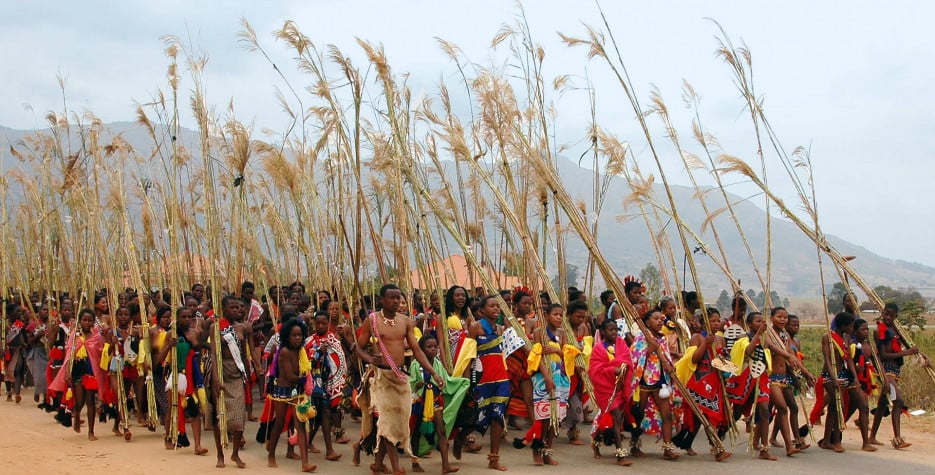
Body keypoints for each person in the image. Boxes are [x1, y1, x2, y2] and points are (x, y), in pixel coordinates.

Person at [356, 284, 445, 475]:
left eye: (398, 298)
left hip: (400, 377)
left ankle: (378, 464)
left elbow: (417, 350)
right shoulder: (371, 321)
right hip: (380, 377)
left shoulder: (406, 321)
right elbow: (358, 347)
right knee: (388, 421)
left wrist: (434, 373)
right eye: (392, 298)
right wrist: (371, 358)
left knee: (399, 421)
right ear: (381, 300)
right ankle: (396, 468)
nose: (396, 301)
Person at [452, 294, 510, 471]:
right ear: (482, 310)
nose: (496, 309)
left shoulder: (501, 329)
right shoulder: (476, 328)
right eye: (492, 306)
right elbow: (468, 355)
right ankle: (461, 438)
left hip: (501, 378)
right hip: (482, 378)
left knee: (497, 416)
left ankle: (494, 458)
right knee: (478, 416)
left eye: (498, 306)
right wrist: (467, 379)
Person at [673, 308, 733, 461]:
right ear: (705, 322)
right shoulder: (697, 337)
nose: (716, 323)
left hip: (716, 381)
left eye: (718, 320)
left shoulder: (721, 339)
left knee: (700, 417)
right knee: (707, 416)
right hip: (700, 381)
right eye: (713, 320)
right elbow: (694, 359)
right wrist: (705, 344)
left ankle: (685, 442)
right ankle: (718, 450)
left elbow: (723, 360)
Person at [869, 303, 928, 449]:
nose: (888, 317)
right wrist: (907, 353)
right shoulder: (879, 331)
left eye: (891, 315)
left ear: (896, 316)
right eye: (886, 314)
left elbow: (909, 346)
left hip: (895, 370)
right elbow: (883, 355)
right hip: (885, 369)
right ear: (882, 313)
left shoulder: (896, 330)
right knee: (898, 400)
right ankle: (897, 439)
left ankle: (871, 437)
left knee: (883, 403)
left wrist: (922, 355)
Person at [525, 303, 578, 466]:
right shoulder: (538, 332)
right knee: (544, 416)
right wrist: (547, 378)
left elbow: (567, 354)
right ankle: (537, 450)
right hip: (543, 377)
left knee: (555, 417)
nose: (558, 318)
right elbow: (537, 356)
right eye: (555, 314)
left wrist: (556, 351)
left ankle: (547, 452)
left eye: (561, 315)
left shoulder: (562, 333)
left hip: (560, 377)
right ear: (546, 315)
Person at [409, 334, 467, 474]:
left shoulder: (438, 364)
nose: (434, 349)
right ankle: (415, 463)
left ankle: (445, 465)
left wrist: (459, 383)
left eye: (435, 347)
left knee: (441, 431)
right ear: (421, 349)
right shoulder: (415, 364)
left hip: (434, 401)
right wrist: (418, 385)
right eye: (429, 347)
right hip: (419, 402)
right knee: (416, 432)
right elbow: (410, 385)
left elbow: (446, 382)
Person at [206, 295, 252, 468]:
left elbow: (244, 353)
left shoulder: (243, 327)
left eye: (238, 307)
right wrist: (216, 378)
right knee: (220, 415)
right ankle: (220, 454)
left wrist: (249, 372)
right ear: (223, 309)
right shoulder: (215, 327)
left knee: (239, 416)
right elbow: (214, 353)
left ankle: (235, 454)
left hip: (236, 372)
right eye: (232, 307)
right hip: (220, 371)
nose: (236, 310)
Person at [763, 307, 815, 456]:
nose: (783, 320)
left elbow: (792, 357)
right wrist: (788, 355)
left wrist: (807, 374)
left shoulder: (785, 335)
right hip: (771, 378)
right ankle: (788, 446)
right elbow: (773, 348)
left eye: (785, 317)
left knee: (788, 407)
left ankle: (794, 440)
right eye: (779, 317)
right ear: (772, 318)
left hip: (784, 378)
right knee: (782, 408)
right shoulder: (767, 333)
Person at [266, 317, 316, 472]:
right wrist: (306, 379)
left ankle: (305, 464)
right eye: (294, 335)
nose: (298, 338)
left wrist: (306, 378)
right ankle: (271, 456)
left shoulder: (300, 350)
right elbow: (289, 376)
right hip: (282, 391)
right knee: (280, 423)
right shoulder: (285, 352)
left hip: (297, 391)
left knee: (300, 425)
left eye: (300, 335)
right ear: (287, 336)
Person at [820, 311, 873, 452]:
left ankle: (827, 441)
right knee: (839, 406)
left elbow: (848, 359)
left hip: (845, 376)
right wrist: (833, 378)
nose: (852, 329)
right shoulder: (828, 337)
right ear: (843, 325)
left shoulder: (847, 338)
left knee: (838, 407)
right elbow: (827, 359)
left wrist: (855, 376)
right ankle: (836, 441)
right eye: (850, 326)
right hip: (830, 375)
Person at [630, 308, 679, 461]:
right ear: (647, 322)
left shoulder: (663, 338)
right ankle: (635, 445)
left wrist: (670, 365)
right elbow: (633, 356)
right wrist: (648, 350)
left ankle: (668, 448)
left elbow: (665, 356)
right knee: (639, 414)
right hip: (644, 381)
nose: (659, 321)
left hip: (661, 381)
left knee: (667, 414)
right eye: (655, 318)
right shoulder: (641, 337)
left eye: (661, 318)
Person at [725, 312, 774, 460]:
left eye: (762, 321)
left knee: (765, 410)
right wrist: (758, 334)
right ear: (750, 324)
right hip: (745, 379)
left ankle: (764, 449)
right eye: (757, 321)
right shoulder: (743, 339)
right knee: (737, 412)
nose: (760, 324)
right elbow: (747, 351)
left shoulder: (765, 339)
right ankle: (719, 435)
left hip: (761, 379)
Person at [50, 309, 105, 441]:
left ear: (93, 322)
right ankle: (77, 415)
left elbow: (101, 352)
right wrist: (68, 372)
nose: (87, 322)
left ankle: (91, 432)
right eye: (84, 320)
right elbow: (69, 355)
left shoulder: (97, 336)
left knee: (90, 401)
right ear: (80, 321)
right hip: (77, 372)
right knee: (80, 401)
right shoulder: (74, 336)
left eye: (90, 320)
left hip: (91, 372)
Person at [588, 318, 634, 466]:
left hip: (620, 387)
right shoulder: (598, 348)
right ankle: (620, 453)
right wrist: (612, 369)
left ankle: (595, 441)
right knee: (615, 417)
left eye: (616, 329)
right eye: (610, 329)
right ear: (602, 332)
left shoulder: (621, 344)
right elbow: (594, 370)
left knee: (611, 418)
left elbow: (628, 362)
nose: (614, 332)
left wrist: (622, 371)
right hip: (605, 390)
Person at [166, 306, 208, 454]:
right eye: (183, 317)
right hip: (177, 375)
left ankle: (197, 445)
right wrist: (169, 346)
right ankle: (169, 437)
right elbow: (161, 357)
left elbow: (200, 350)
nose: (187, 319)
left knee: (194, 409)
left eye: (189, 316)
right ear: (177, 318)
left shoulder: (196, 333)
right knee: (174, 407)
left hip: (193, 376)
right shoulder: (171, 334)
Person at [306, 311, 346, 461]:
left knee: (322, 415)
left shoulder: (334, 339)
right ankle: (328, 450)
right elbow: (305, 361)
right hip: (314, 383)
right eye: (318, 323)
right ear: (314, 324)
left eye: (324, 323)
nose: (321, 326)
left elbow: (339, 360)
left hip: (329, 382)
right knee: (322, 414)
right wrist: (317, 352)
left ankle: (316, 445)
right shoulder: (309, 341)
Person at [25, 303, 51, 409]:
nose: (46, 311)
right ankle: (38, 391)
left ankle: (46, 399)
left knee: (48, 376)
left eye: (47, 310)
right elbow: (29, 342)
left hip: (49, 352)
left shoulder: (52, 324)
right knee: (40, 376)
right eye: (44, 309)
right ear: (39, 312)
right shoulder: (33, 324)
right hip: (38, 352)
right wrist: (37, 336)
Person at [3, 305, 27, 403]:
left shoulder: (20, 324)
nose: (19, 313)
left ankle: (17, 393)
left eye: (20, 311)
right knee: (8, 372)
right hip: (7, 351)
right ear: (10, 313)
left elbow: (24, 336)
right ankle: (9, 392)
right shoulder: (4, 324)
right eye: (17, 311)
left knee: (18, 370)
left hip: (18, 350)